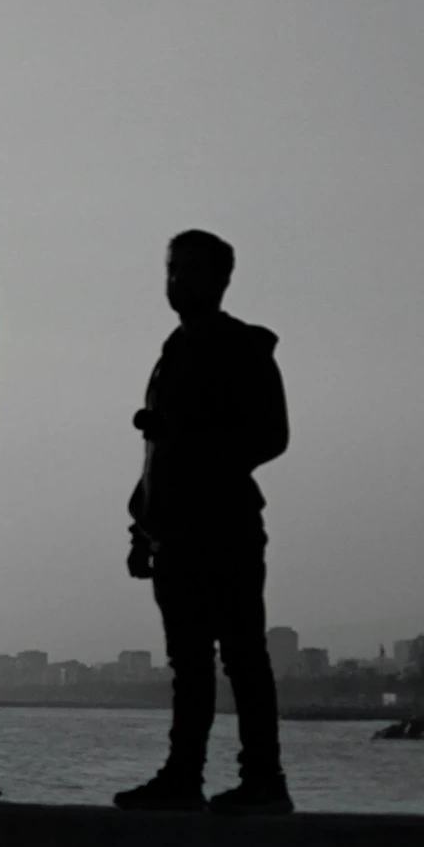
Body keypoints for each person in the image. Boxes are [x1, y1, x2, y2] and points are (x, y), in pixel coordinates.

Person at [114, 229, 292, 816]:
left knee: (241, 656)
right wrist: (143, 530)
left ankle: (262, 780)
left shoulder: (242, 347)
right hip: (175, 534)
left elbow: (270, 437)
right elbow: (156, 457)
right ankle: (183, 777)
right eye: (172, 269)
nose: (177, 280)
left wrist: (184, 438)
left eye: (189, 270)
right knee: (189, 665)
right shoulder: (173, 352)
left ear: (220, 280)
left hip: (226, 528)